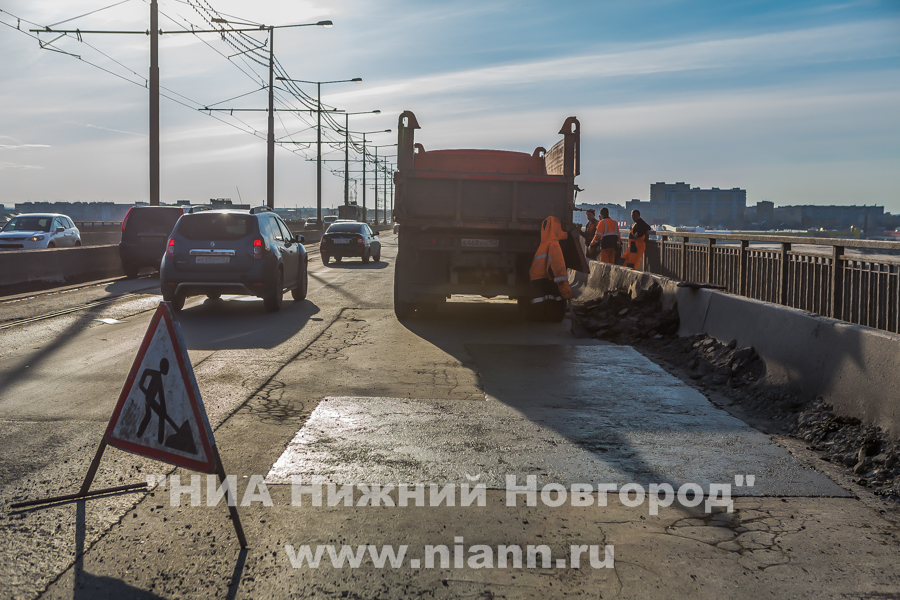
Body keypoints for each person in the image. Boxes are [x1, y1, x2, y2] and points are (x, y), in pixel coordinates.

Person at [529, 215, 572, 320]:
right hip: (548, 283)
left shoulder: (542, 245)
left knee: (541, 299)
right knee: (553, 296)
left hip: (537, 280)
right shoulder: (554, 246)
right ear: (557, 228)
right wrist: (566, 294)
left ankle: (538, 314)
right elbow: (559, 273)